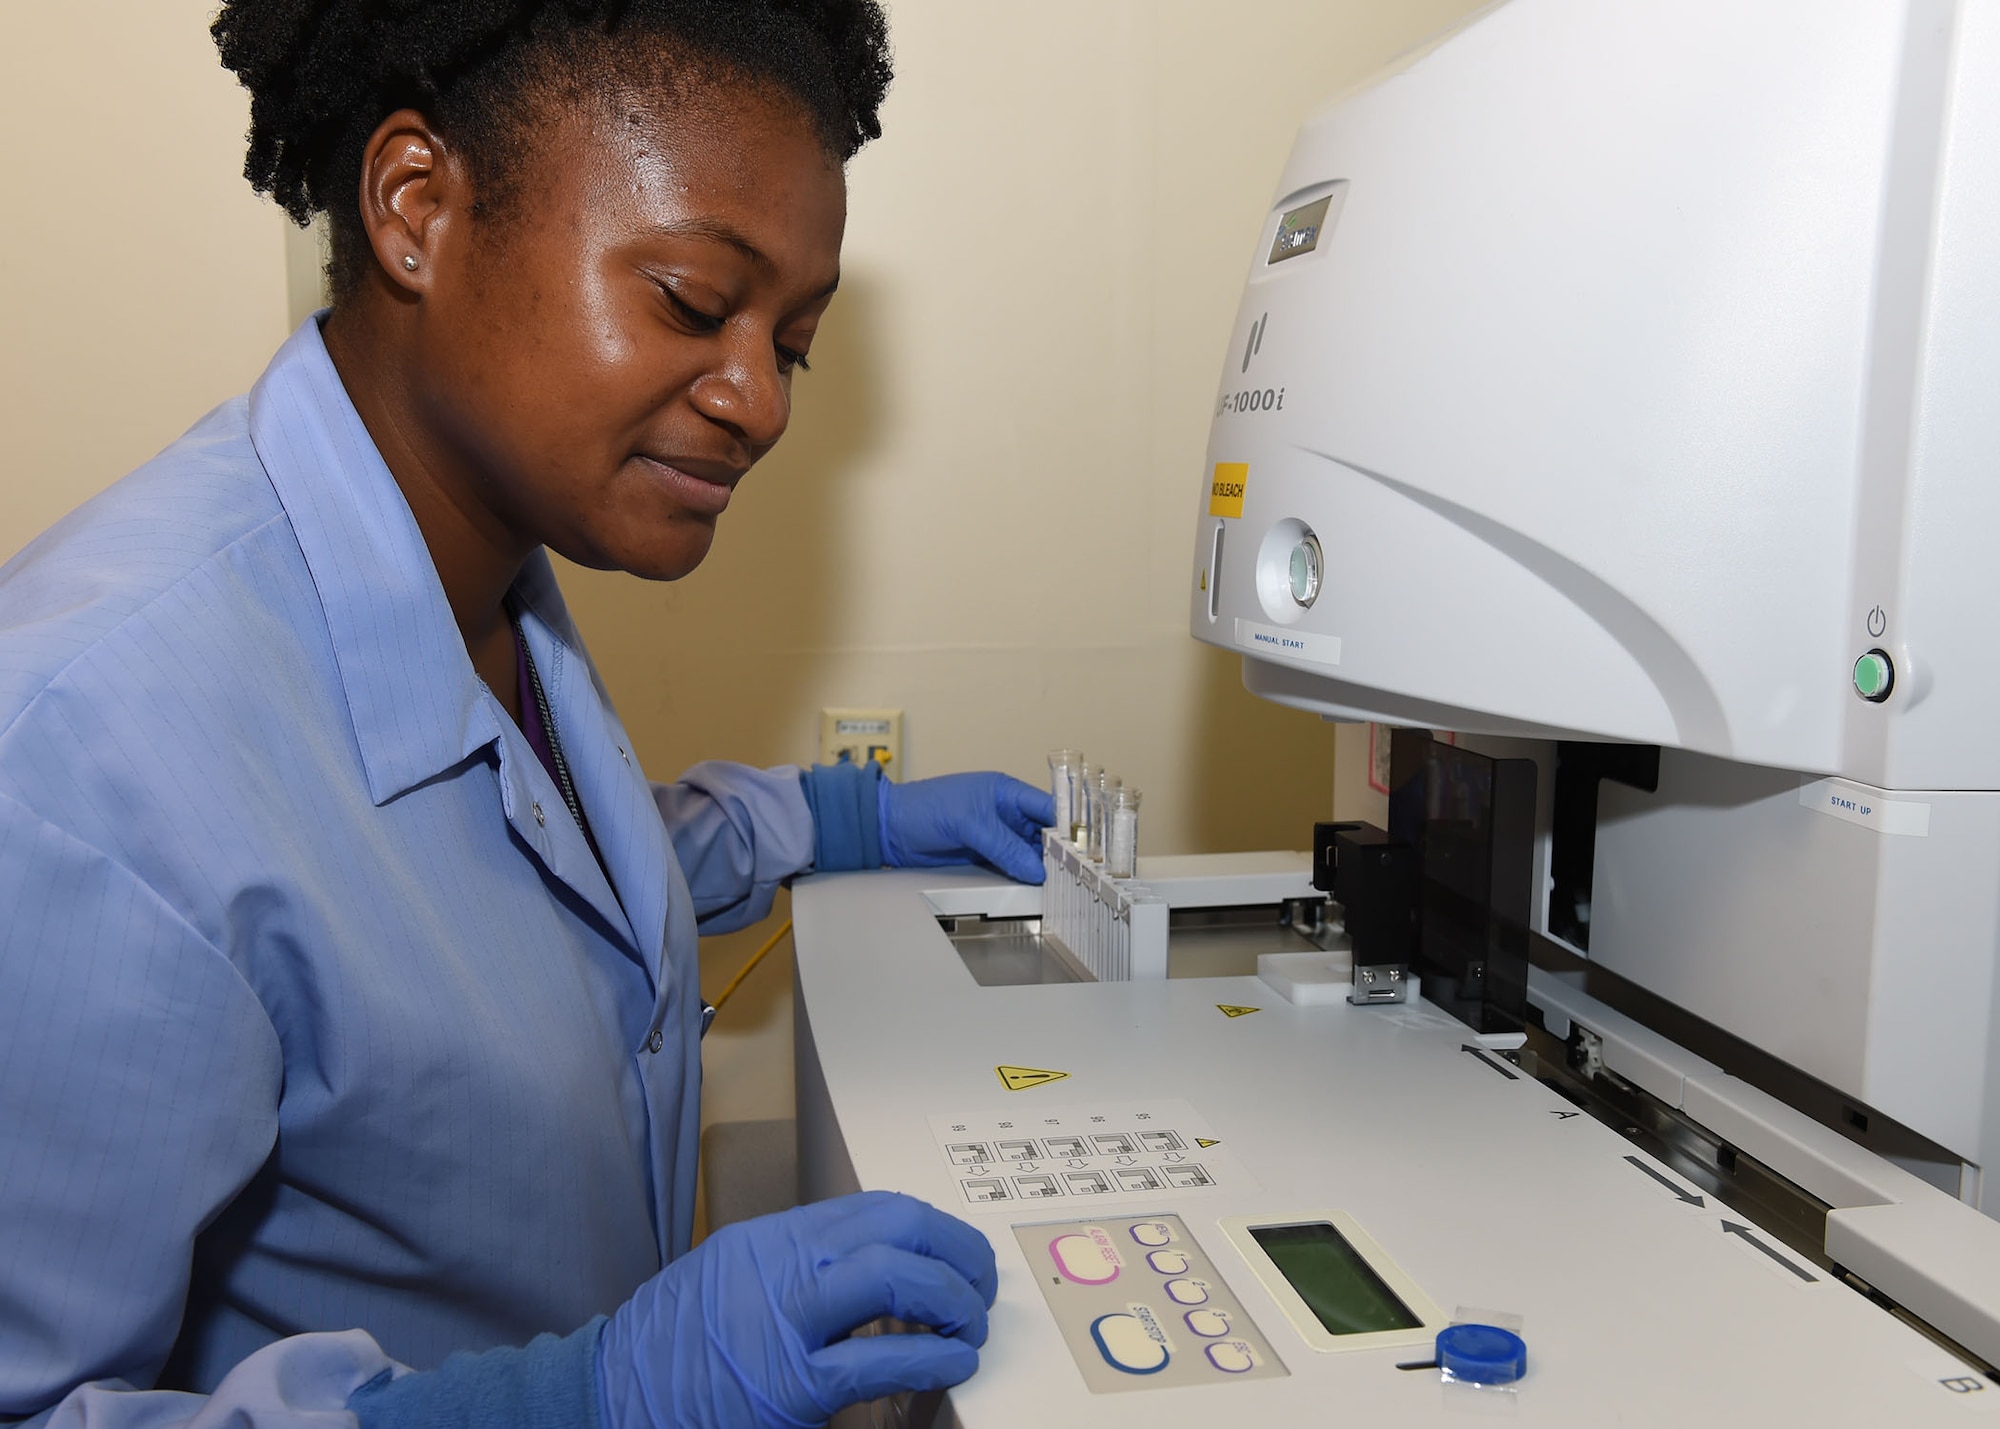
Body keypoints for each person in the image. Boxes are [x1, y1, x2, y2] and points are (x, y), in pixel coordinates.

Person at [0, 3, 1055, 1426]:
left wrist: (831, 815)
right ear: (417, 208)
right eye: (691, 301)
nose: (759, 401)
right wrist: (575, 1397)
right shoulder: (77, 755)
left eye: (792, 344)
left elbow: (487, 899)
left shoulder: (483, 564)